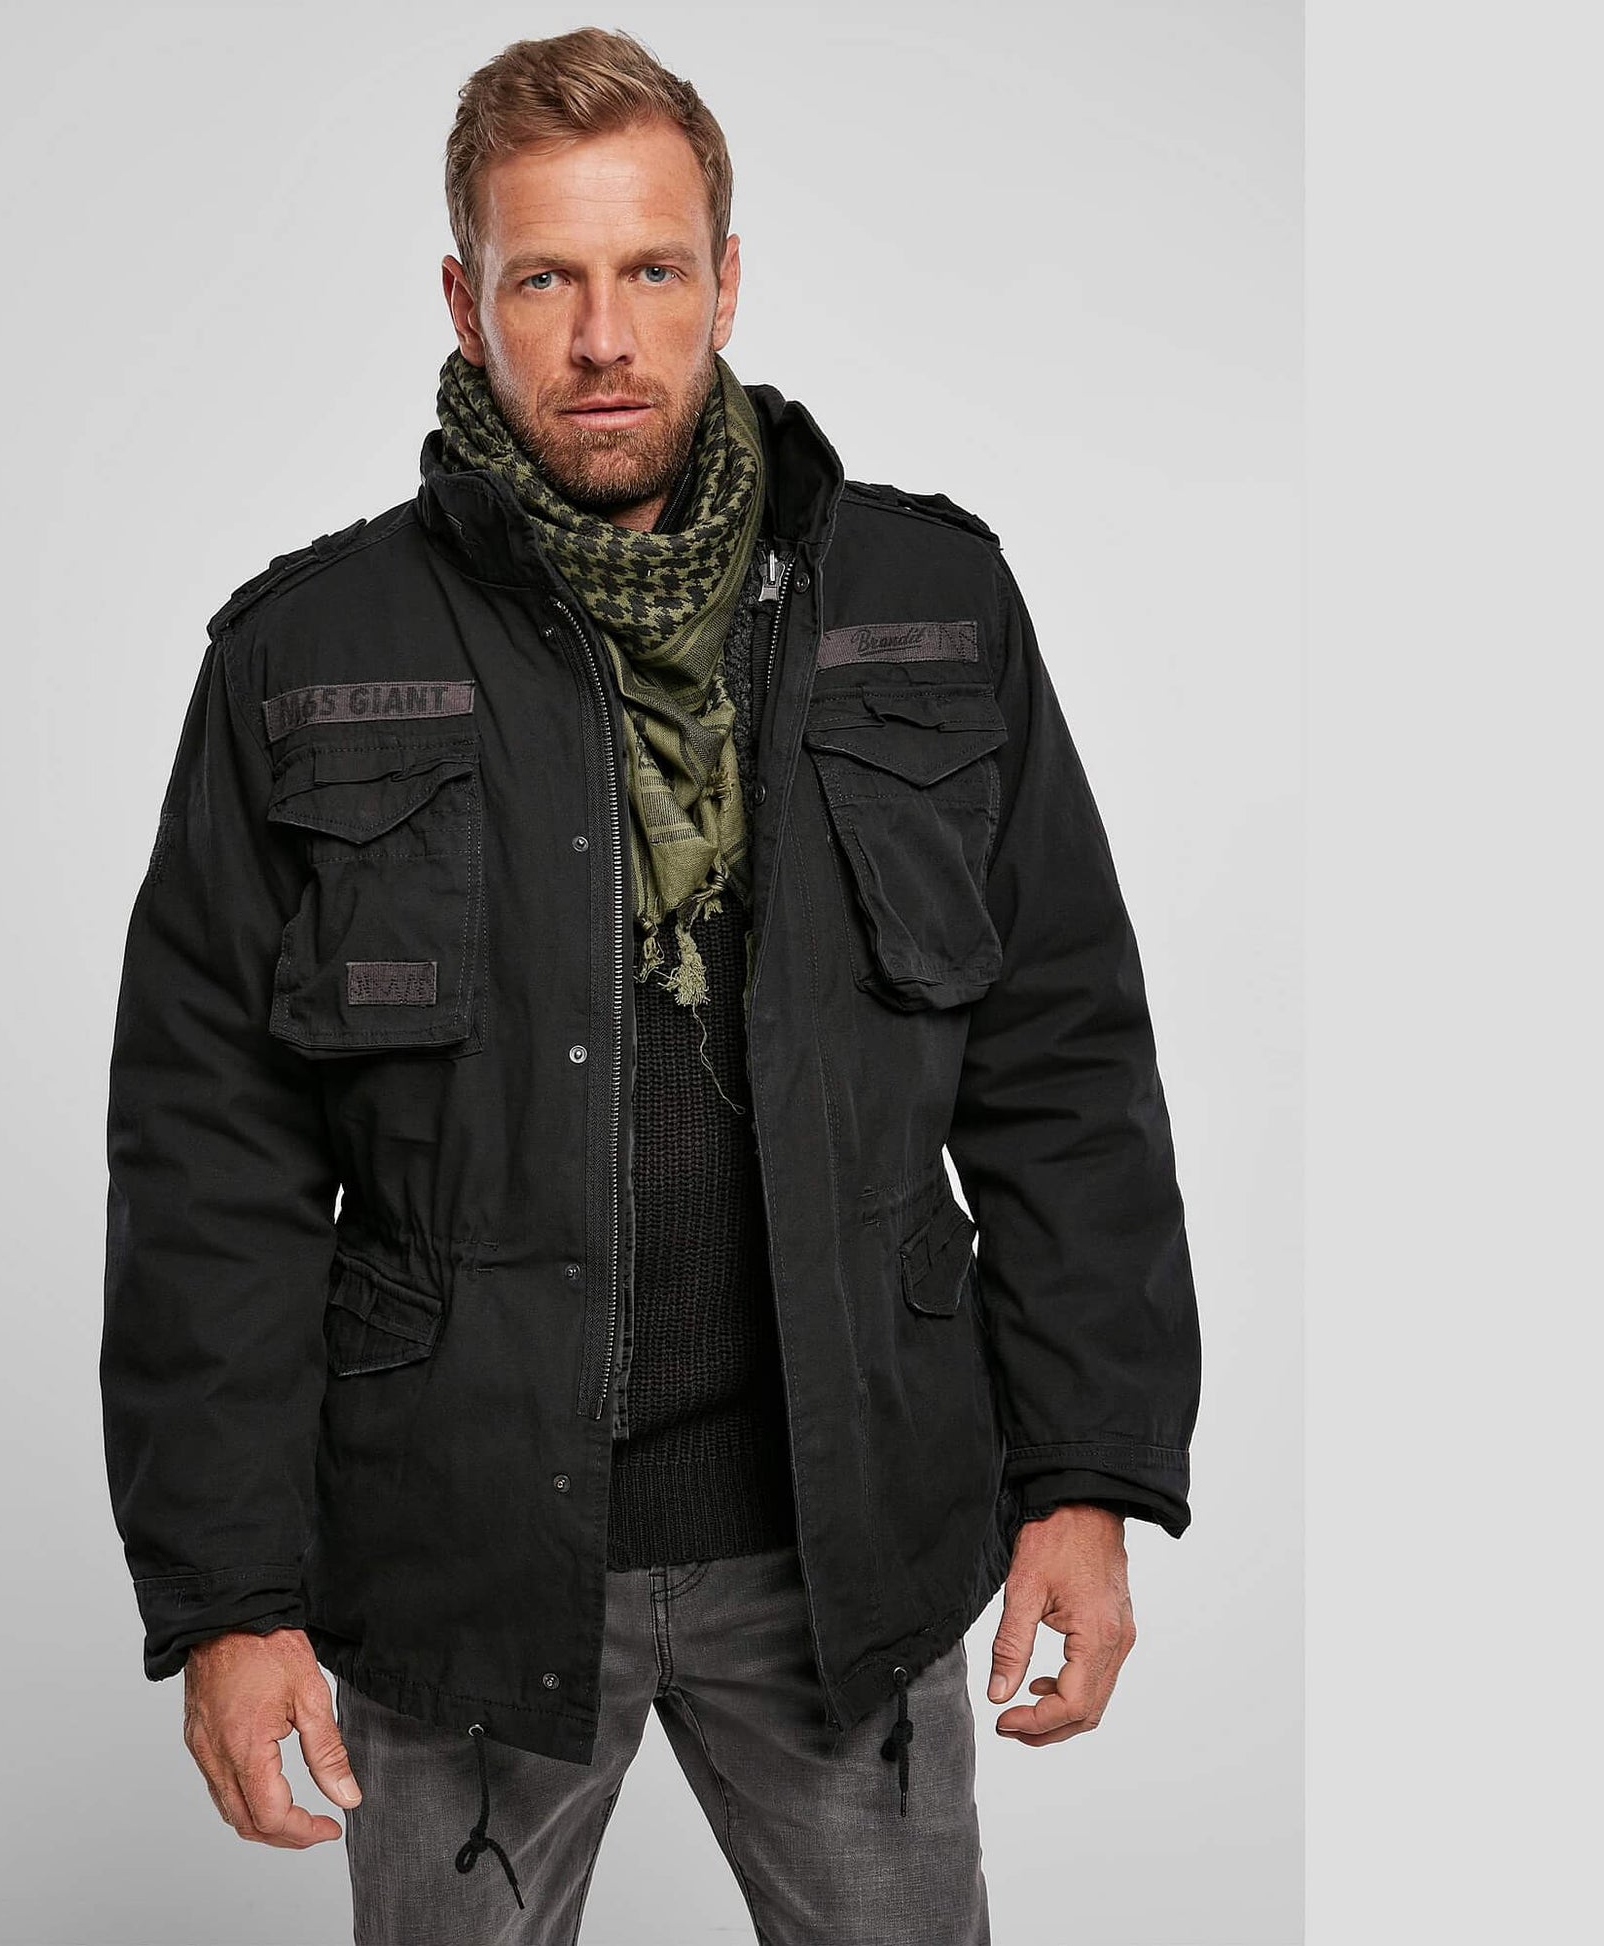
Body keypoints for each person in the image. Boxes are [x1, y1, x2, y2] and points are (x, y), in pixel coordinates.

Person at [100, 25, 1202, 1945]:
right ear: (466, 301)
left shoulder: (930, 605)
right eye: (545, 278)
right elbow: (211, 1157)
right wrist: (228, 1597)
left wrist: (1084, 1478)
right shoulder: (304, 653)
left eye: (651, 269)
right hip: (464, 1559)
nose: (604, 336)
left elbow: (1063, 1064)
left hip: (849, 1541)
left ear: (726, 280)